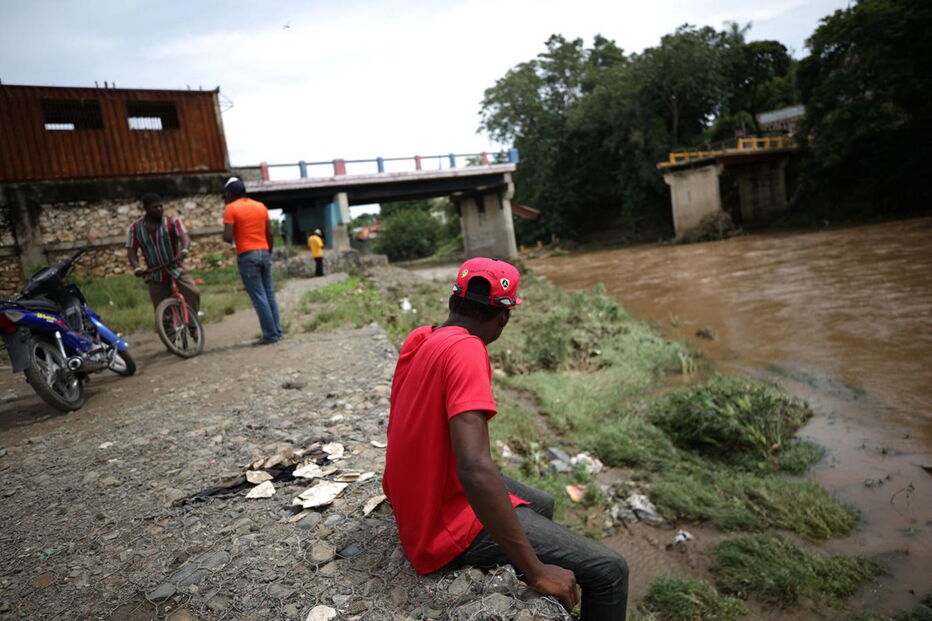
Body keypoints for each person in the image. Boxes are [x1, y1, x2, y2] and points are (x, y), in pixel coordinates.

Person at [382, 258, 628, 620]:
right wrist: (536, 571)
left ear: (454, 301)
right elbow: (474, 468)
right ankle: (535, 574)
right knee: (611, 571)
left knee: (541, 502)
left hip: (415, 491)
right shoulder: (467, 351)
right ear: (504, 317)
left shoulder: (422, 337)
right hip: (437, 525)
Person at [221, 177, 283, 345]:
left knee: (259, 296)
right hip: (264, 251)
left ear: (229, 193)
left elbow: (227, 236)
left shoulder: (231, 208)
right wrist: (267, 252)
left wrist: (234, 239)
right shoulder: (260, 206)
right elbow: (270, 233)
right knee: (269, 294)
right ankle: (277, 331)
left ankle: (270, 335)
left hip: (247, 255)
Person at [126, 192, 201, 313]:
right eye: (155, 207)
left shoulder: (172, 221)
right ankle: (168, 330)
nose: (159, 209)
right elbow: (131, 251)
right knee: (161, 310)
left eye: (160, 206)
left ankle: (192, 323)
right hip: (156, 274)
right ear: (145, 209)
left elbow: (184, 237)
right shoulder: (135, 229)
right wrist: (136, 267)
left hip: (176, 269)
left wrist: (185, 249)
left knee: (193, 293)